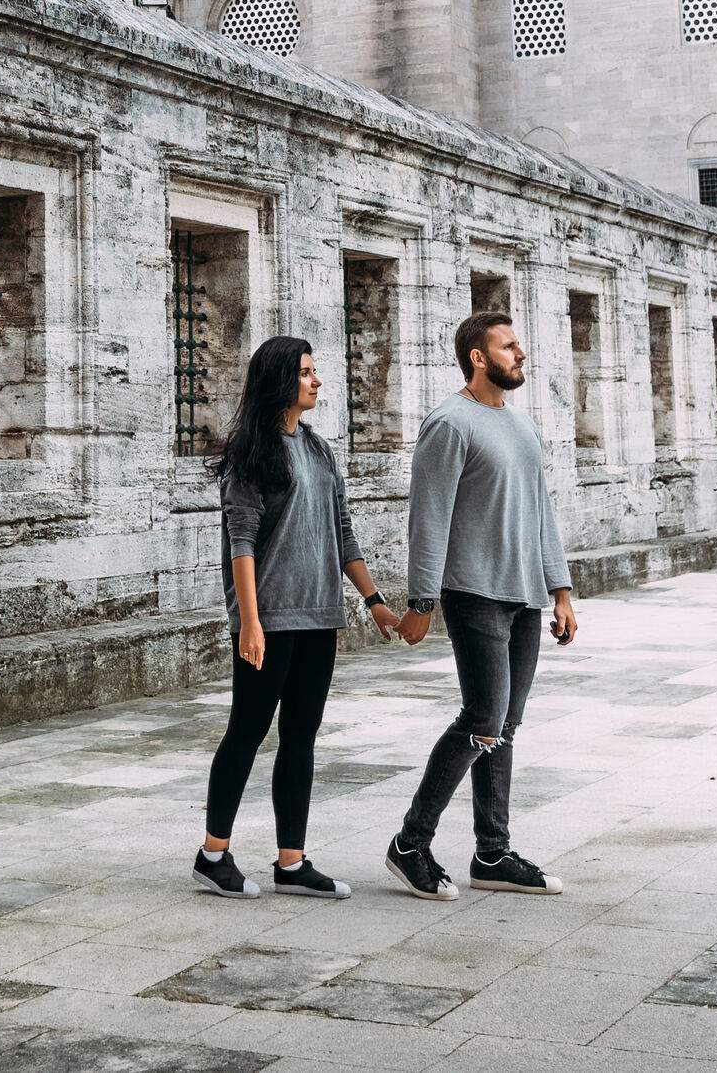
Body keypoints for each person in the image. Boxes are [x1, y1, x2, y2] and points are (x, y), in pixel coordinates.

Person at [194, 335, 405, 898]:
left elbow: (343, 532)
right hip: (271, 618)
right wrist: (250, 621)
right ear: (280, 381)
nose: (317, 381)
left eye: (316, 372)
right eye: (307, 373)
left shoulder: (317, 449)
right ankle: (214, 853)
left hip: (319, 616)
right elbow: (241, 541)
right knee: (247, 731)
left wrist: (373, 600)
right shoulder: (250, 453)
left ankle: (291, 861)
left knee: (301, 737)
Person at [384, 310, 577, 902]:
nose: (521, 354)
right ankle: (410, 845)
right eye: (509, 346)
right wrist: (422, 599)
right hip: (472, 593)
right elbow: (429, 517)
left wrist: (561, 589)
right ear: (478, 356)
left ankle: (492, 854)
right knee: (483, 720)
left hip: (523, 598)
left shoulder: (520, 427)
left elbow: (540, 512)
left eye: (518, 345)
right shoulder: (448, 424)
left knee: (506, 727)